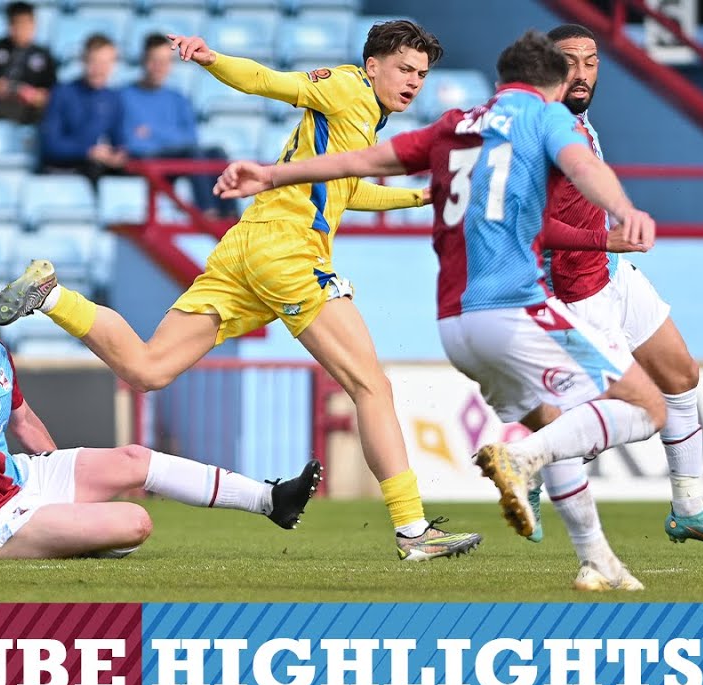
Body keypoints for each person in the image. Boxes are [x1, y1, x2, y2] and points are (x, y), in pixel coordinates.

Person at [0, 21, 481, 562]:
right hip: (289, 254)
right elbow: (268, 81)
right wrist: (210, 58)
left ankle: (53, 296)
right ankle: (414, 531)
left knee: (149, 369)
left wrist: (419, 200)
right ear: (373, 65)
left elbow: (345, 190)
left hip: (246, 247)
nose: (414, 82)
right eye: (404, 69)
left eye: (421, 74)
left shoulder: (360, 117)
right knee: (372, 388)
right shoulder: (349, 88)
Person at [214, 31, 666, 591]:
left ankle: (595, 557)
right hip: (516, 312)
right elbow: (584, 167)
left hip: (458, 326)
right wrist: (621, 211)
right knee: (649, 406)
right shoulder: (546, 120)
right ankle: (520, 460)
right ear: (546, 85)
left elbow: (360, 162)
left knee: (559, 421)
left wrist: (272, 174)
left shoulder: (453, 127)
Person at [0, 253, 322, 561]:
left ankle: (269, 499)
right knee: (136, 522)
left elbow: (23, 420)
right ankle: (39, 539)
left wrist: (57, 478)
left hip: (24, 477)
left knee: (134, 456)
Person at [531, 24, 703, 552]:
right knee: (625, 412)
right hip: (571, 289)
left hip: (610, 276)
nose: (581, 72)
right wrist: (607, 240)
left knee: (681, 375)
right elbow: (532, 227)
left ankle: (689, 509)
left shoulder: (578, 120)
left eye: (591, 61)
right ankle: (531, 465)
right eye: (569, 61)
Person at [120, 33, 231, 216]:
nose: (160, 67)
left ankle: (230, 214)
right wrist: (172, 137)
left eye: (165, 61)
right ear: (144, 61)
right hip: (147, 163)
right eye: (155, 60)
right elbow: (131, 142)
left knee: (216, 153)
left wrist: (153, 132)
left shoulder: (178, 98)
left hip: (177, 159)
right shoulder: (124, 96)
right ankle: (207, 213)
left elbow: (191, 138)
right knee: (192, 153)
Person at [39, 34, 126, 179]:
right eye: (94, 62)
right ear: (83, 61)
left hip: (99, 170)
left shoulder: (113, 98)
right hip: (64, 171)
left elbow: (119, 140)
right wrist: (89, 151)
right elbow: (51, 145)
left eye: (105, 63)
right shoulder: (62, 93)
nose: (100, 69)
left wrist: (120, 154)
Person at [0, 1, 57, 124]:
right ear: (9, 25)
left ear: (34, 25)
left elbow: (50, 91)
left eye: (26, 25)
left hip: (32, 110)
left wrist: (35, 95)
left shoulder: (44, 55)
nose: (21, 30)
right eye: (16, 25)